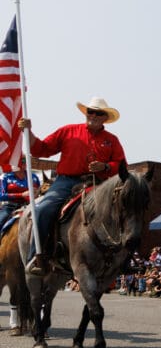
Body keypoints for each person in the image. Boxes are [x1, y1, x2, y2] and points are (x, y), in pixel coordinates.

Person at [17, 97, 126, 274]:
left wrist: (105, 166)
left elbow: (122, 166)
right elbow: (42, 149)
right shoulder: (68, 131)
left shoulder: (112, 140)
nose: (94, 115)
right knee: (43, 209)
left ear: (105, 118)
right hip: (67, 181)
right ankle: (36, 257)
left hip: (97, 184)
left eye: (99, 113)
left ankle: (120, 260)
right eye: (91, 111)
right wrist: (28, 132)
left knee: (124, 212)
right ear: (86, 113)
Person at [0, 160, 41, 230]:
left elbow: (39, 191)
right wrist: (21, 194)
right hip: (11, 206)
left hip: (31, 206)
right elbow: (1, 195)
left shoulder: (33, 177)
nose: (22, 165)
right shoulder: (5, 177)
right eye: (19, 162)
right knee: (1, 221)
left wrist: (37, 193)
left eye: (23, 162)